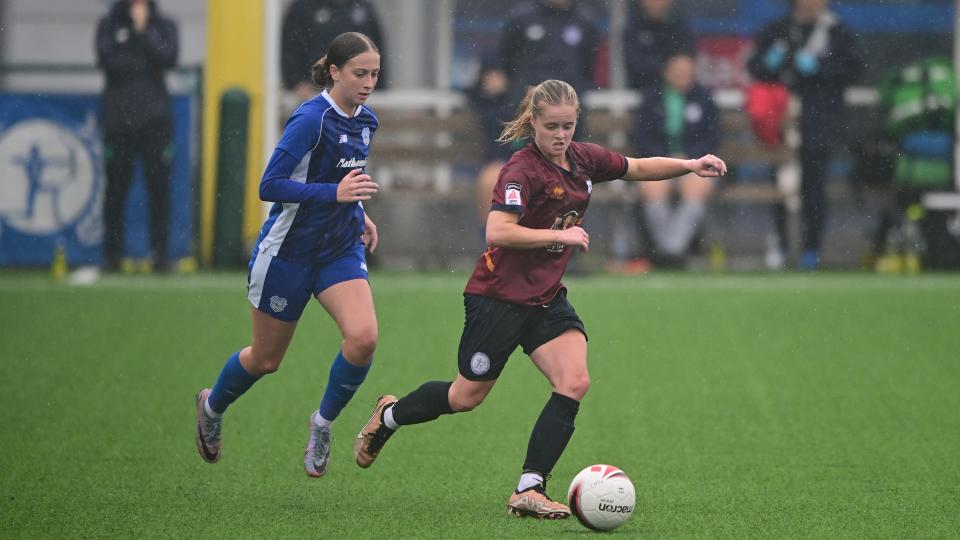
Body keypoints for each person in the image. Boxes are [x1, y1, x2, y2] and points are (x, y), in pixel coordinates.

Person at [353, 80, 726, 518]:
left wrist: (689, 164)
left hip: (546, 298)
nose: (561, 135)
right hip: (497, 298)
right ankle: (390, 414)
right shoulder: (521, 170)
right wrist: (559, 234)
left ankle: (529, 487)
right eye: (552, 126)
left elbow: (637, 167)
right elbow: (498, 230)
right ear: (533, 122)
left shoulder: (583, 159)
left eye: (569, 126)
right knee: (465, 396)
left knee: (574, 381)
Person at [195, 32, 383, 479]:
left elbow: (346, 177)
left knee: (364, 338)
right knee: (265, 360)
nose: (369, 82)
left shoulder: (366, 120)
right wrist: (334, 194)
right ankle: (212, 405)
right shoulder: (310, 120)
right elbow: (270, 185)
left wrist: (357, 211)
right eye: (360, 73)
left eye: (375, 74)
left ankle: (322, 424)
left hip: (338, 249)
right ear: (335, 72)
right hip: (288, 254)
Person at [747, 0, 862, 269]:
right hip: (780, 123)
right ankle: (781, 245)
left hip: (818, 121)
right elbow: (756, 68)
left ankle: (812, 249)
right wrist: (770, 62)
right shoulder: (778, 29)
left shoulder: (836, 31)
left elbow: (853, 70)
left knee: (814, 187)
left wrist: (820, 69)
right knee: (780, 187)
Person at [471, 0, 601, 225]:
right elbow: (495, 72)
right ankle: (495, 252)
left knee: (565, 182)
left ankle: (558, 252)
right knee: (490, 179)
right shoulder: (520, 19)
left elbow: (588, 72)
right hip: (519, 142)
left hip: (560, 158)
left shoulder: (585, 22)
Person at [95, 0, 179, 273]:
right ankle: (113, 255)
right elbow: (109, 62)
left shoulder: (165, 25)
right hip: (119, 122)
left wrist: (141, 33)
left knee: (159, 190)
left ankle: (160, 254)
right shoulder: (108, 25)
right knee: (116, 190)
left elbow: (167, 57)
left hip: (155, 122)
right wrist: (133, 37)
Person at [633, 53, 719, 267]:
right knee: (652, 190)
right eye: (677, 72)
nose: (682, 76)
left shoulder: (704, 99)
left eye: (686, 73)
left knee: (696, 188)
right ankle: (671, 253)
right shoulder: (651, 99)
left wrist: (690, 158)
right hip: (659, 164)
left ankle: (670, 252)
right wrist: (668, 159)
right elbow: (641, 139)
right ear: (666, 73)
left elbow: (712, 139)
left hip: (696, 166)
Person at [281, 0, 386, 102]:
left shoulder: (363, 8)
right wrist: (298, 82)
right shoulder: (302, 8)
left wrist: (378, 90)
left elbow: (378, 51)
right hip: (313, 94)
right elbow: (290, 50)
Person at [622, 0, 696, 98]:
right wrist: (665, 70)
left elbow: (686, 58)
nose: (656, 2)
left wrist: (674, 72)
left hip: (679, 92)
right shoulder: (633, 24)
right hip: (640, 92)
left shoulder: (679, 23)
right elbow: (634, 62)